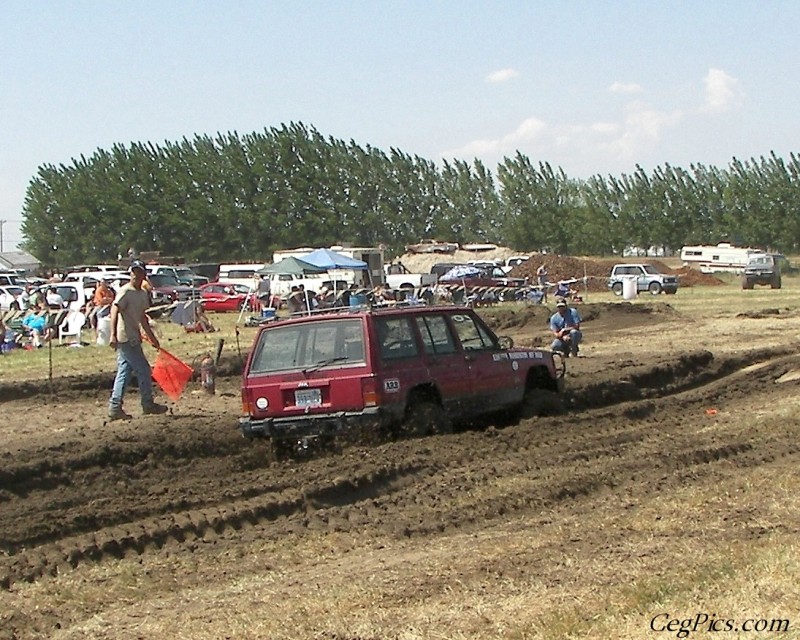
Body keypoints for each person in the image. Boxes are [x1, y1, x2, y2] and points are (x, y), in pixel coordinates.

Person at [107, 259, 168, 420]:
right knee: (144, 369)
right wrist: (113, 334)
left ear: (143, 274)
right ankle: (147, 403)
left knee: (124, 372)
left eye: (138, 271)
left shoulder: (141, 294)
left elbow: (142, 317)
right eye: (133, 271)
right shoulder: (125, 291)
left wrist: (152, 337)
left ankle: (115, 406)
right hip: (126, 337)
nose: (135, 274)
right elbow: (114, 310)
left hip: (134, 336)